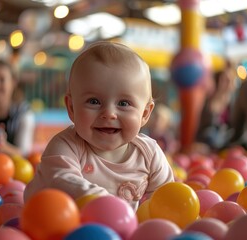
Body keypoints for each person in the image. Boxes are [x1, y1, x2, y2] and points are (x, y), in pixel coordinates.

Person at [24, 41, 174, 209]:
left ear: (145, 113)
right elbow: (62, 181)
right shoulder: (66, 146)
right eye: (94, 101)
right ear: (72, 108)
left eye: (124, 103)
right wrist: (109, 204)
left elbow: (166, 196)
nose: (109, 113)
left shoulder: (149, 154)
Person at [196, 60, 237, 150]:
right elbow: (206, 126)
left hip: (226, 140)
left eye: (231, 80)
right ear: (218, 81)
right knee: (210, 136)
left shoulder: (234, 101)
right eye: (225, 80)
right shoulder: (210, 100)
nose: (228, 83)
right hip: (209, 140)